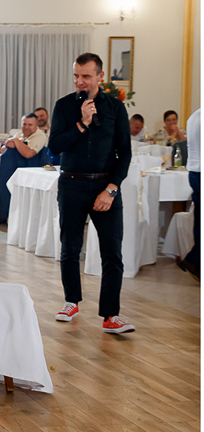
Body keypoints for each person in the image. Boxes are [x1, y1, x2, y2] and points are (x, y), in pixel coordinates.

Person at [49, 53, 133, 333]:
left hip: (104, 186)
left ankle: (111, 316)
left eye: (85, 76)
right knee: (70, 247)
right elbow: (55, 147)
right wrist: (82, 123)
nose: (79, 81)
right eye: (76, 76)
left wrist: (111, 189)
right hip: (71, 184)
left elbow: (124, 153)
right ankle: (71, 301)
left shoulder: (115, 107)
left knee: (112, 252)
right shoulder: (63, 106)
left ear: (100, 76)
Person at [0, 113, 49, 225]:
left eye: (30, 125)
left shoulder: (40, 136)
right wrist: (9, 143)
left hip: (30, 175)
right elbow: (3, 150)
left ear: (36, 125)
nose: (26, 127)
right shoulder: (19, 134)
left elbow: (29, 154)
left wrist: (16, 142)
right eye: (24, 124)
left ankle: (13, 217)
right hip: (13, 172)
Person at [179, 108, 200, 280]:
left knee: (199, 220)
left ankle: (195, 261)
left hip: (195, 171)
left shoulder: (195, 116)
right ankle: (194, 260)